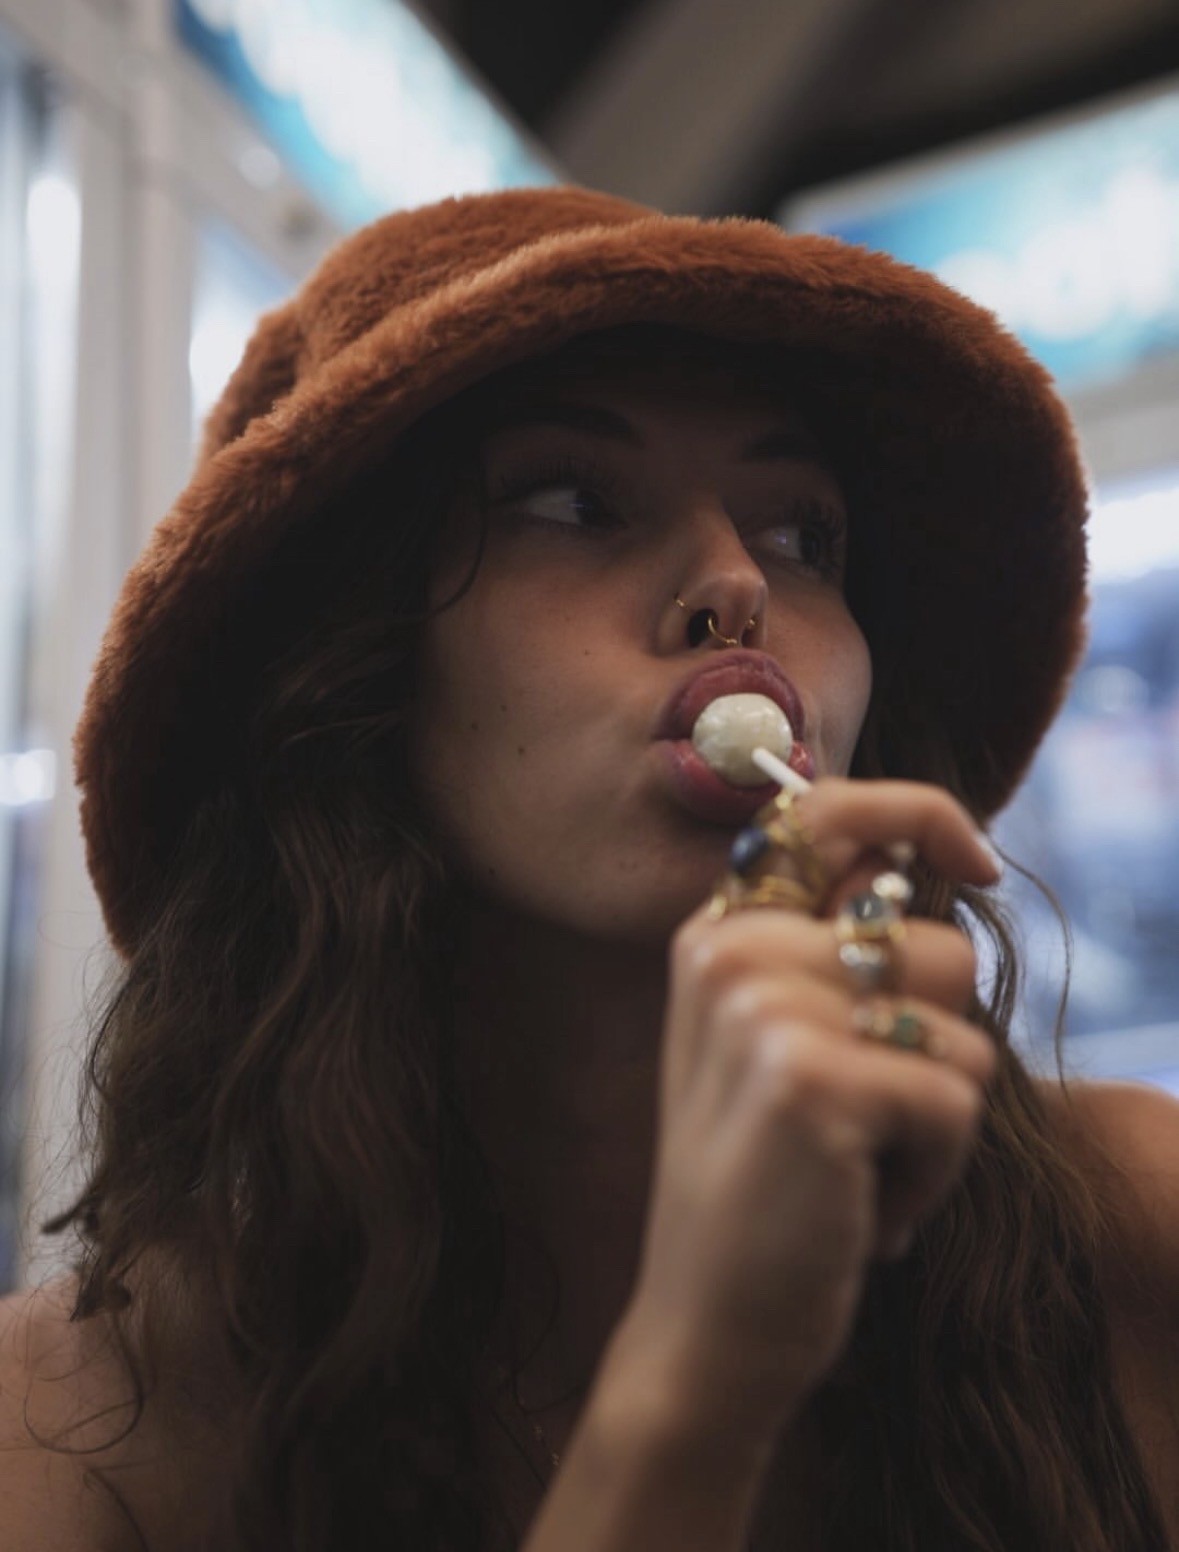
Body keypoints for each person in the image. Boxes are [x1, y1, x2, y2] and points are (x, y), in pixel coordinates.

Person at [0, 185, 1176, 1552]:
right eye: (572, 499)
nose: (736, 580)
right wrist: (699, 1385)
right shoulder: (73, 1437)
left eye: (805, 533)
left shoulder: (1131, 1239)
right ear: (351, 684)